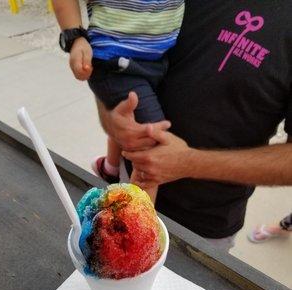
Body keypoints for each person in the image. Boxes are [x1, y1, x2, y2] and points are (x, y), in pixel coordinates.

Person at [95, 1, 292, 252]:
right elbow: (115, 53)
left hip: (202, 228)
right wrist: (110, 116)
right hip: (129, 185)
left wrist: (189, 162)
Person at [52, 0, 185, 203]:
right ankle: (131, 223)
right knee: (151, 141)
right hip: (115, 61)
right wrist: (75, 37)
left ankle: (110, 168)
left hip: (158, 60)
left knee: (129, 119)